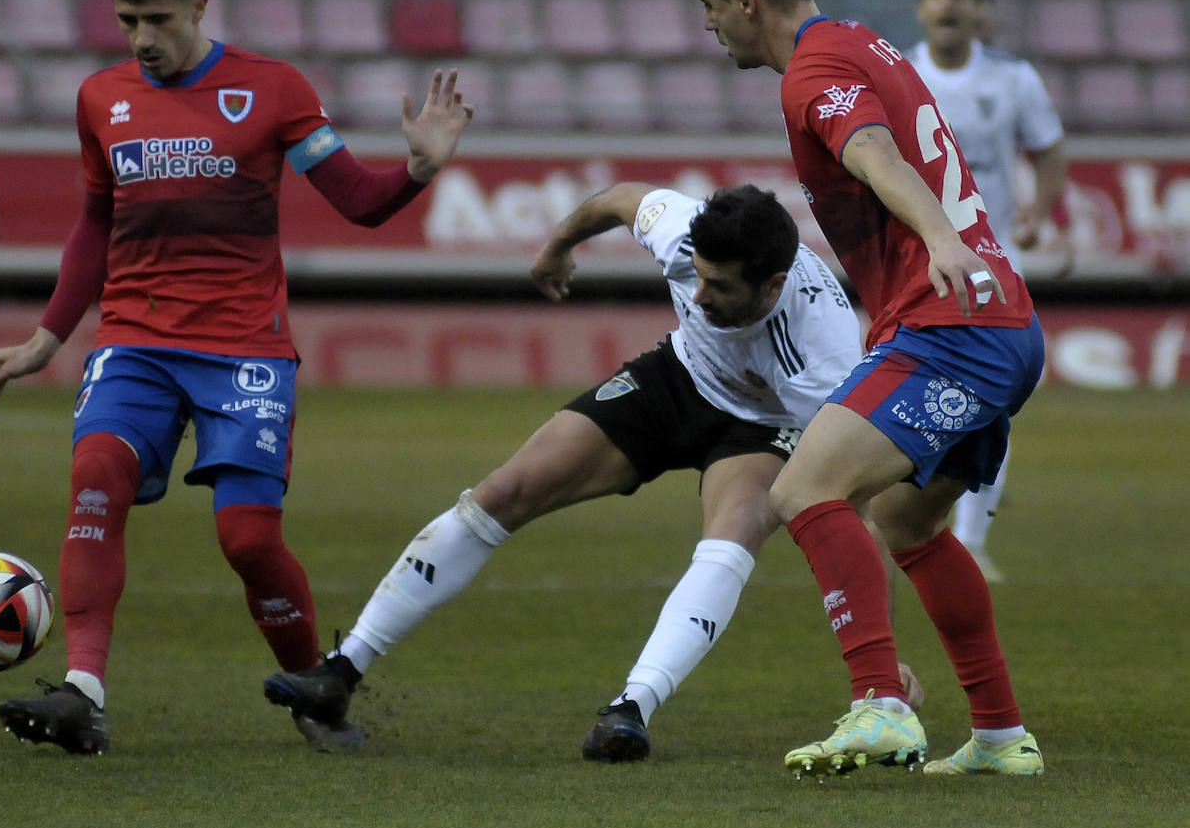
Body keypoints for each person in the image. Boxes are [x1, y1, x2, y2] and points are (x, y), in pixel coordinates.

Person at [0, 0, 475, 755]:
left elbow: (359, 202)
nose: (142, 40)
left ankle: (316, 689)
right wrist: (49, 338)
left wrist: (417, 169)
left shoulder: (273, 90)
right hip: (136, 339)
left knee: (249, 539)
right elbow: (94, 223)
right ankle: (83, 688)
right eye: (127, 22)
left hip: (244, 348)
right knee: (95, 476)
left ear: (199, 6)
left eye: (158, 19)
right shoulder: (100, 99)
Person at [264, 181, 924, 760]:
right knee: (504, 490)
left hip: (764, 423)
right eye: (697, 275)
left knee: (730, 537)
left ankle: (630, 710)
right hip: (677, 379)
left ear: (773, 286)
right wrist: (558, 245)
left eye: (721, 287)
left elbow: (852, 505)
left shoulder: (826, 351)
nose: (700, 293)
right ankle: (339, 674)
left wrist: (882, 653)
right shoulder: (682, 231)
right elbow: (615, 198)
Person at [679, 0, 1046, 777]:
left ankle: (881, 704)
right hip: (998, 322)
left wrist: (940, 238)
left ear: (745, 0)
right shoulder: (858, 41)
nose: (706, 27)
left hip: (953, 321)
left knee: (804, 486)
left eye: (706, 7)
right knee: (907, 519)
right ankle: (999, 735)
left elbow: (873, 151)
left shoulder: (814, 68)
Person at [906, 0, 1069, 583]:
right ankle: (911, 521)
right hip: (916, 263)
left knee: (994, 401)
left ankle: (970, 540)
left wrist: (1038, 214)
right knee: (910, 392)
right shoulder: (901, 77)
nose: (948, 4)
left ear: (978, 10)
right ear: (921, 7)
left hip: (995, 261)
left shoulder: (1013, 78)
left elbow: (1050, 148)